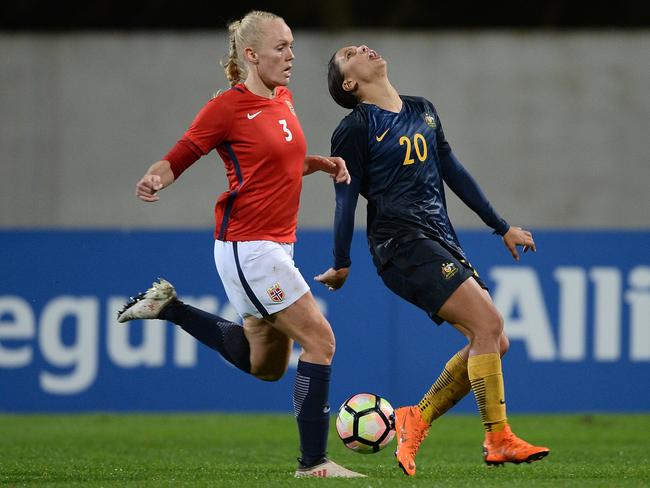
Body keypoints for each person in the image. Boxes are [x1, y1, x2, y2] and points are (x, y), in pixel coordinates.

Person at [117, 11, 365, 479]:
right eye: (280, 47)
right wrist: (155, 177)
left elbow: (280, 161)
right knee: (320, 340)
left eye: (291, 45)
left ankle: (170, 309)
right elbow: (180, 155)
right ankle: (314, 464)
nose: (291, 56)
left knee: (265, 365)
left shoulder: (282, 98)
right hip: (249, 248)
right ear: (251, 55)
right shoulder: (227, 108)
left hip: (276, 246)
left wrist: (321, 163)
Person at [316, 44, 550, 476]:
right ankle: (497, 438)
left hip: (440, 239)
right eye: (349, 53)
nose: (363, 48)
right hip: (400, 243)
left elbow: (454, 171)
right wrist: (342, 259)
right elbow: (345, 196)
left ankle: (415, 418)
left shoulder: (424, 110)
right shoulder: (355, 127)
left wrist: (502, 227)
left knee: (495, 342)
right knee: (489, 327)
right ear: (349, 83)